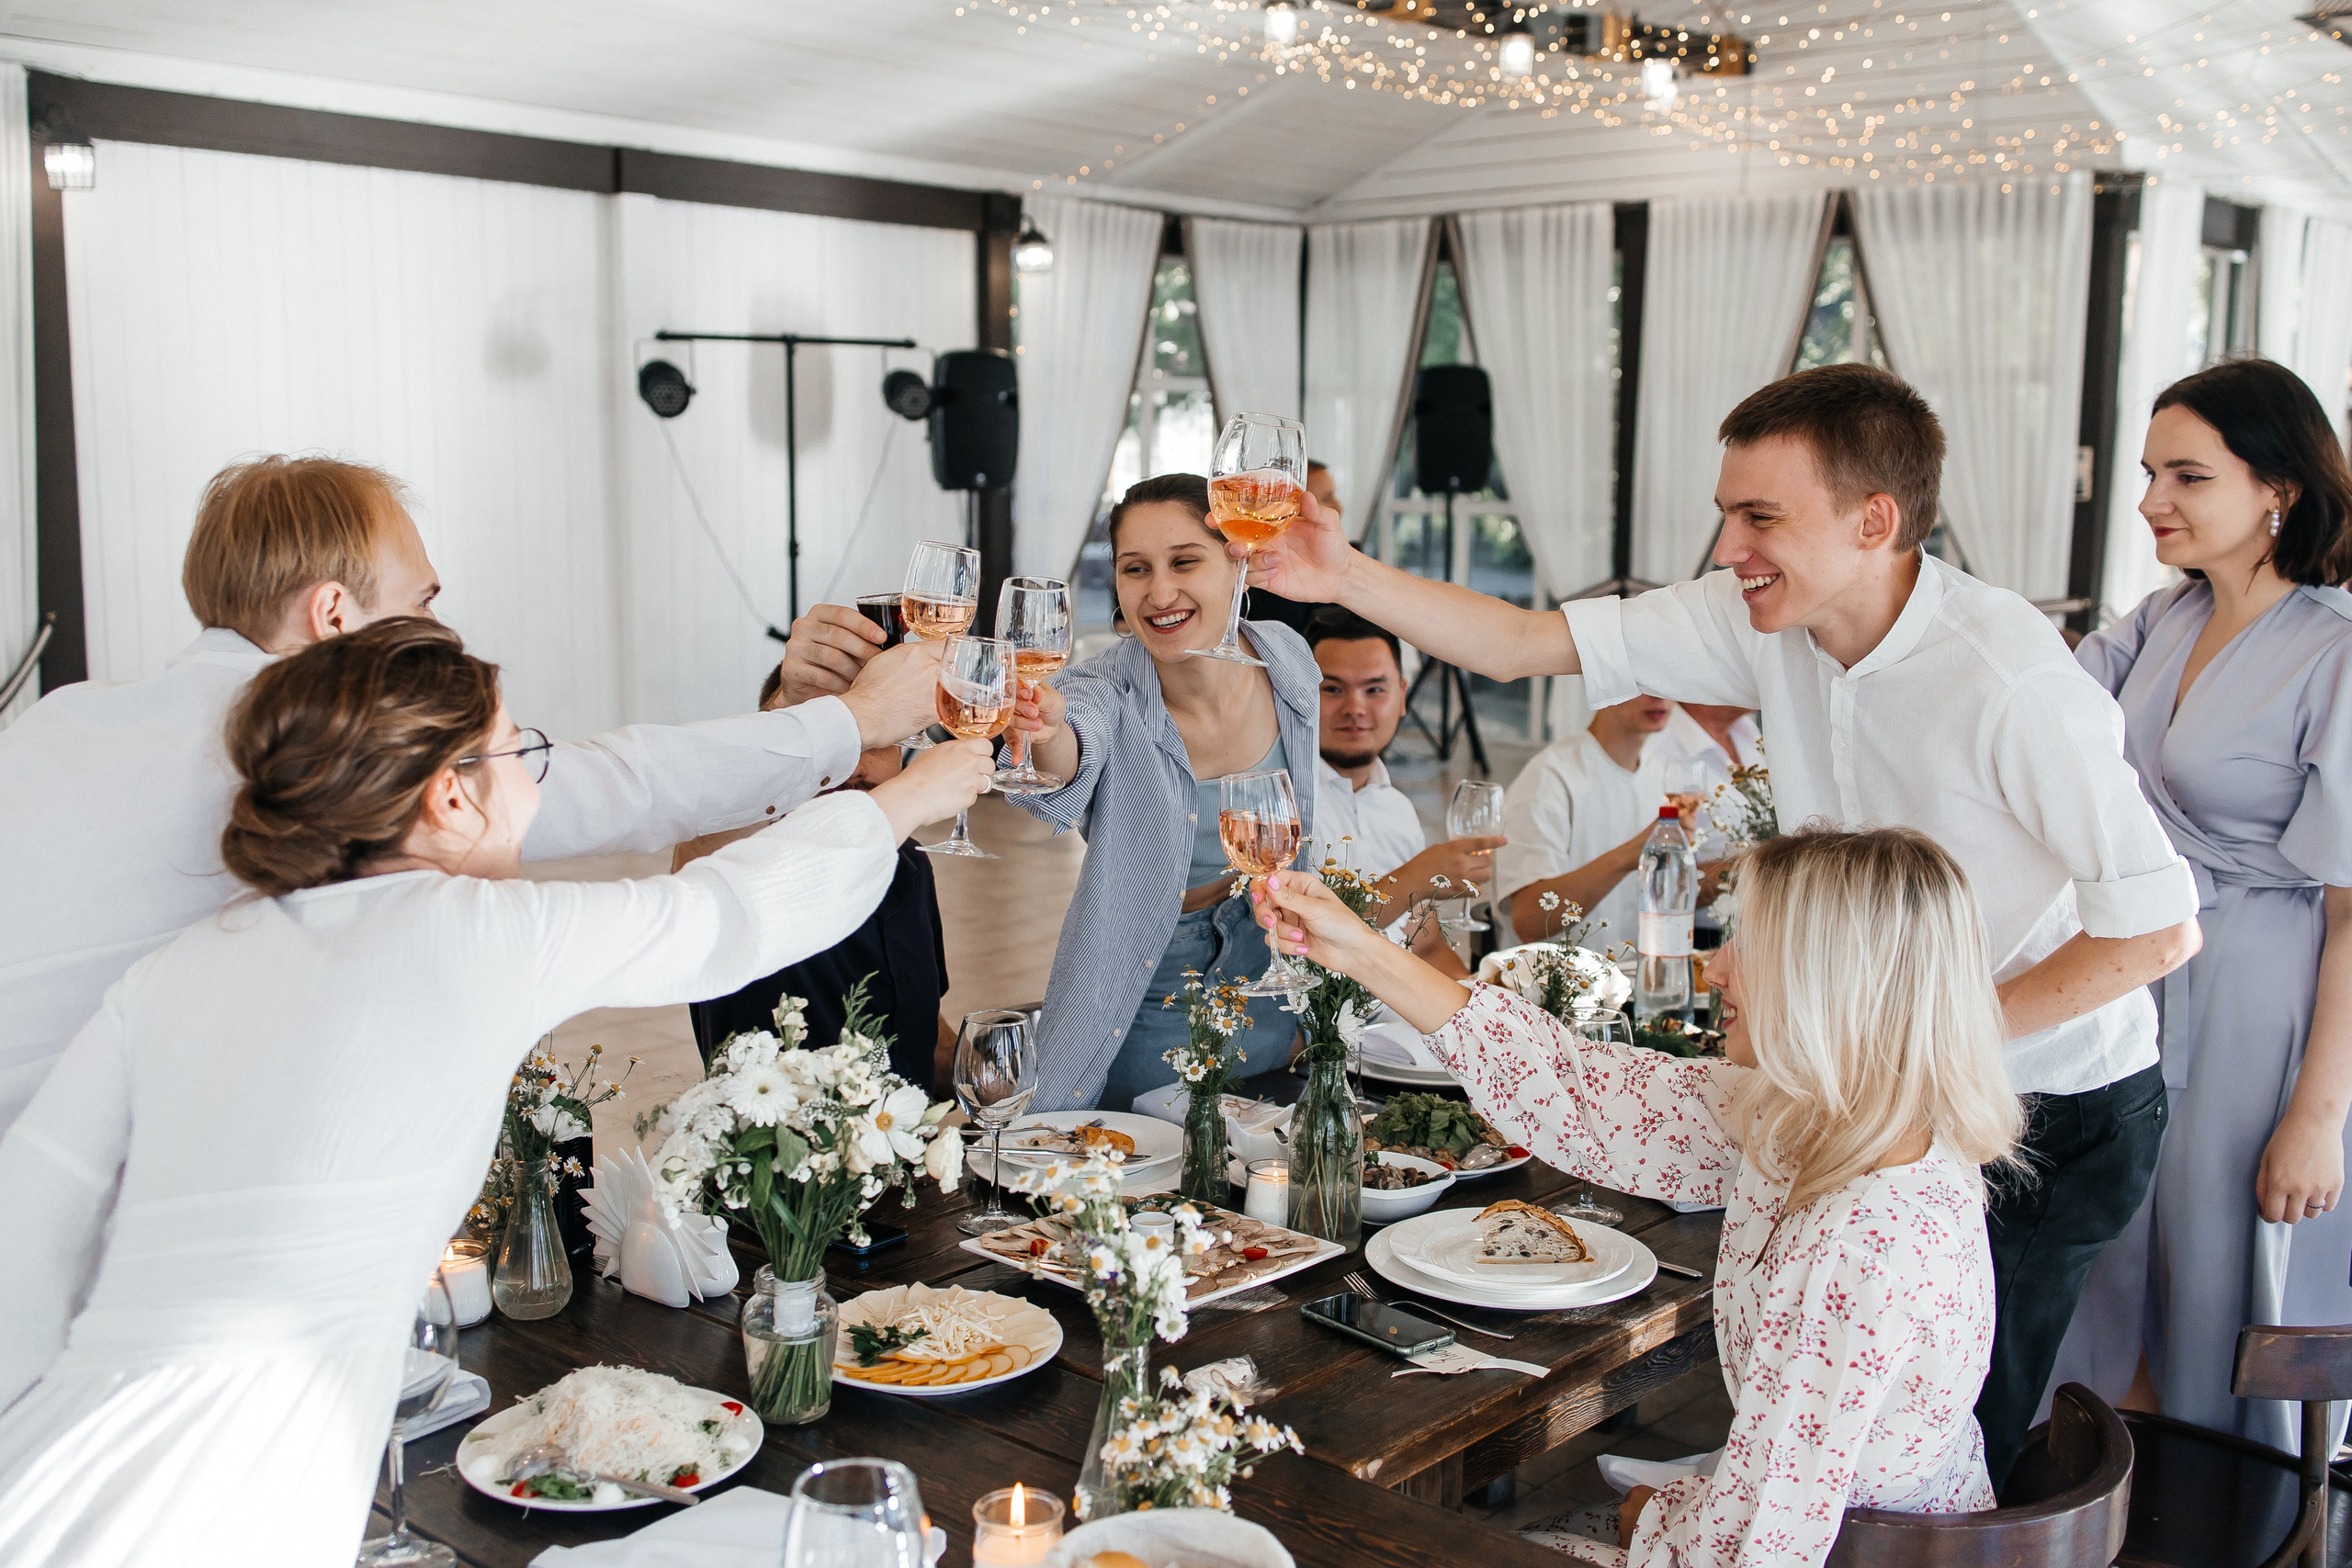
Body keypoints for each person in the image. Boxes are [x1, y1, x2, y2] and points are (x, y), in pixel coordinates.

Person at [1236, 362, 2201, 1485]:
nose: (1728, 546)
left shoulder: (2010, 680)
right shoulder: (1760, 611)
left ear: (1873, 521)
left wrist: (1915, 1049)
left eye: (1760, 517)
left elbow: (2156, 932)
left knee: (1931, 1445)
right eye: (1726, 514)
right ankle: (1759, 1487)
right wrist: (1340, 572)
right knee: (1836, 1406)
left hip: (2043, 1094)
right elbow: (1517, 644)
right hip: (1863, 1080)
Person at [0, 617, 990, 1567]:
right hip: (227, 1497)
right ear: (450, 797)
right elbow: (721, 916)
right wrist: (906, 798)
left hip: (47, 1475)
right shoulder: (467, 933)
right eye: (523, 753)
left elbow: (26, 1238)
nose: (535, 783)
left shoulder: (171, 971)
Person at [0, 456, 943, 1136]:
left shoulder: (57, 723)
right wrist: (854, 722)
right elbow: (630, 792)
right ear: (333, 613)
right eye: (422, 601)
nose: (443, 633)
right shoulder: (364, 764)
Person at [1250, 826, 2022, 1567]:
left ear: (1831, 984)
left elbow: (1754, 1552)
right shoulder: (1843, 1123)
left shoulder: (1856, 1248)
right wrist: (1357, 947)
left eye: (1747, 943)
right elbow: (1577, 1086)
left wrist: (1651, 1520)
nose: (1715, 970)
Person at [2053, 357, 2352, 1453]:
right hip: (2132, 975)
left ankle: (2240, 1502)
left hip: (2261, 999)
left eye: (2187, 476)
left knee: (2220, 1260)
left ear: (2278, 486)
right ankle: (2092, 1487)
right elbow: (2035, 711)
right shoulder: (2159, 619)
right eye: (2147, 474)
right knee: (2111, 1247)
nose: (2151, 501)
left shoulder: (2338, 648)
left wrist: (2317, 1117)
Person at [1004, 473, 1319, 1111]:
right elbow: (1071, 752)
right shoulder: (1100, 687)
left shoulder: (1287, 657)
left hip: (1271, 965)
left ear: (1237, 564)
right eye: (1136, 569)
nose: (1160, 592)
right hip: (1152, 979)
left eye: (1184, 562)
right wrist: (1049, 730)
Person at [675, 664, 953, 1090]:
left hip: (901, 1126)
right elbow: (692, 870)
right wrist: (777, 719)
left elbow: (921, 1027)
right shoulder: (744, 857)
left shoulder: (910, 861)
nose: (853, 765)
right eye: (833, 744)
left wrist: (991, 1073)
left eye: (877, 742)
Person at [1306, 606, 1504, 977]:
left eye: (1374, 690)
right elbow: (1305, 946)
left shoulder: (1396, 808)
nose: (1355, 708)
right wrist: (1416, 876)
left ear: (1402, 697)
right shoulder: (1285, 803)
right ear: (1300, 693)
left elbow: (1425, 944)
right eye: (1332, 689)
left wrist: (1484, 997)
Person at [1494, 694, 1680, 948]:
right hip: (1556, 972)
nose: (1659, 695)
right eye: (1642, 681)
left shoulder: (1658, 772)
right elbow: (1530, 921)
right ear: (1602, 682)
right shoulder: (1550, 778)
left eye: (1666, 680)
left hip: (1635, 969)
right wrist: (1630, 855)